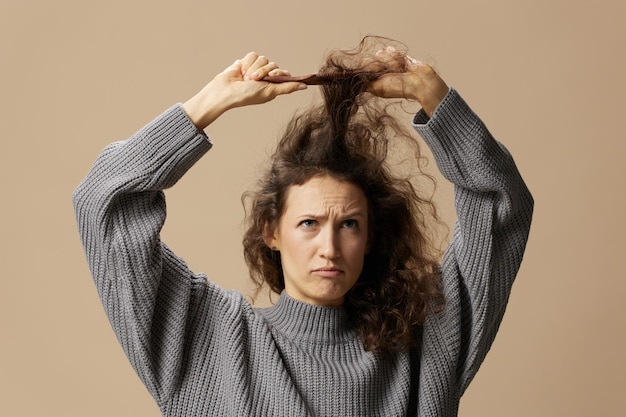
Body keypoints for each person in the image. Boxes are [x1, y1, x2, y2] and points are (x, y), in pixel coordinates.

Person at [73, 37, 533, 417]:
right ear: (271, 231)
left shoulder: (426, 343)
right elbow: (105, 202)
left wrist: (433, 94)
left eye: (349, 224)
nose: (329, 247)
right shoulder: (208, 338)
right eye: (309, 223)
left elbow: (502, 205)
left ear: (370, 237)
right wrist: (208, 103)